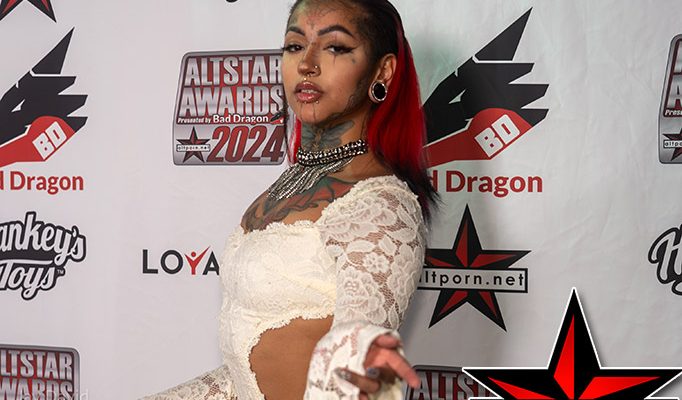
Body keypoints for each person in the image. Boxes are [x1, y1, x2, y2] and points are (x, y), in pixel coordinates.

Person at [142, 0, 436, 398]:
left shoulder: (380, 207)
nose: (307, 64)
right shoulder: (291, 182)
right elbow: (248, 375)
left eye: (335, 47)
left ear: (382, 71)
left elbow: (353, 388)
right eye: (295, 46)